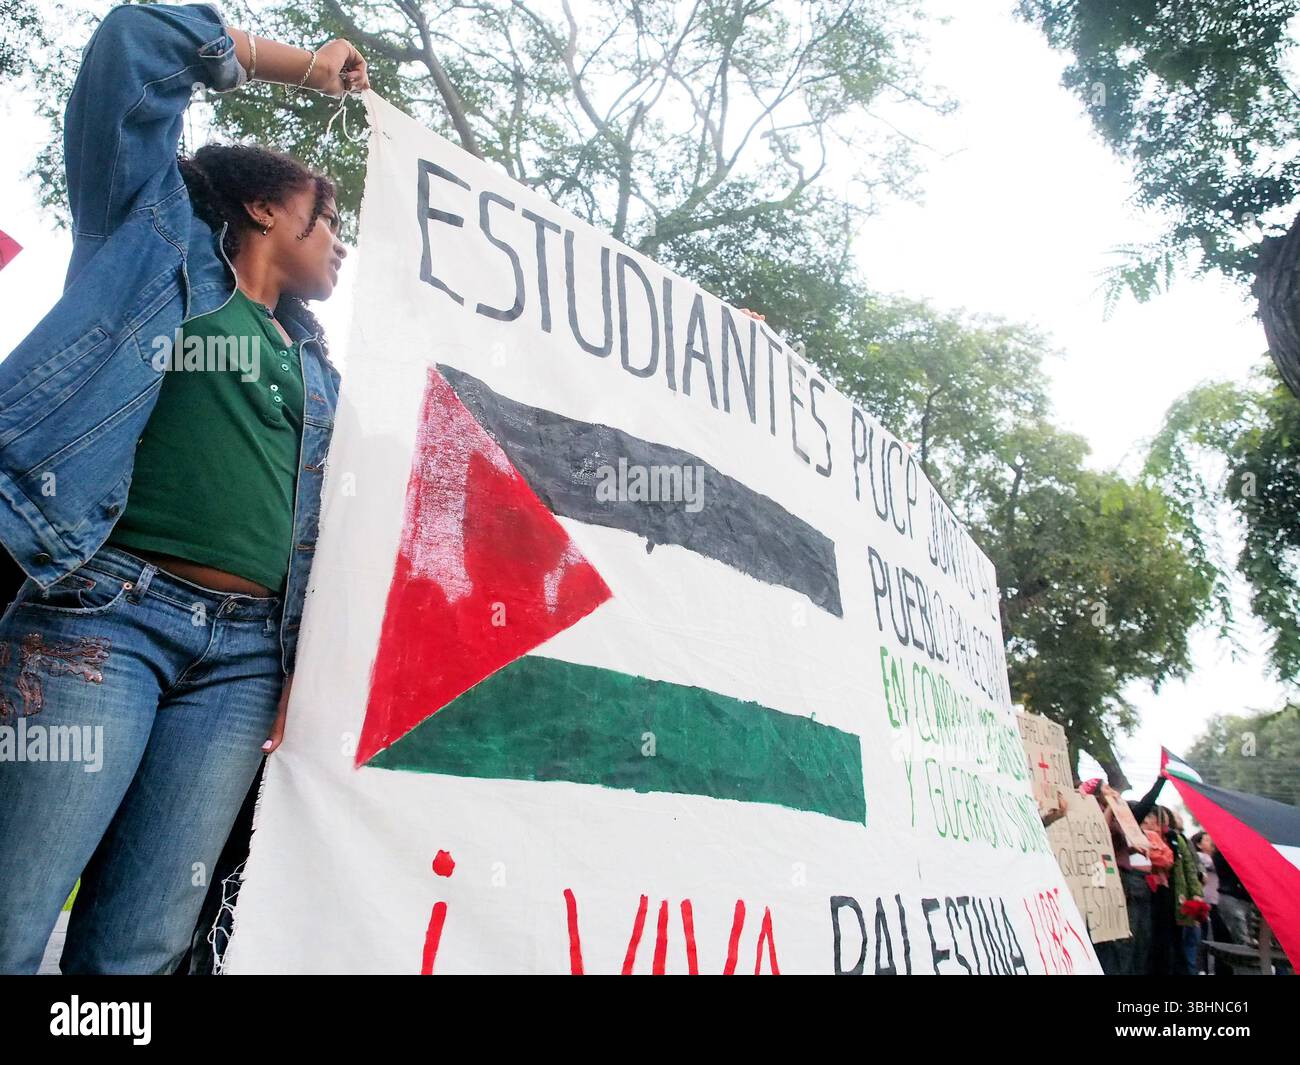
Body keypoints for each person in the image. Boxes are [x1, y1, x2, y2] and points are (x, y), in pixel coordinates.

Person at [0, 3, 369, 974]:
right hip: (104, 621)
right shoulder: (150, 237)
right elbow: (135, 41)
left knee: (143, 948)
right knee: (14, 909)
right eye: (327, 216)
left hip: (243, 668)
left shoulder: (321, 376)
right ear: (260, 205)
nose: (340, 241)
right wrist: (299, 65)